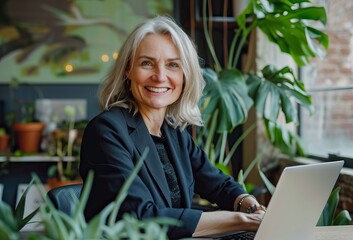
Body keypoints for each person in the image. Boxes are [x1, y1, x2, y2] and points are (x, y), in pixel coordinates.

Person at [79, 15, 266, 239]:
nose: (160, 76)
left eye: (173, 65)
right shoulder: (106, 131)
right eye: (147, 63)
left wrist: (250, 206)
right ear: (128, 70)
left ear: (185, 75)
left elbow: (218, 184)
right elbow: (142, 217)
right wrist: (245, 220)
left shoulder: (173, 132)